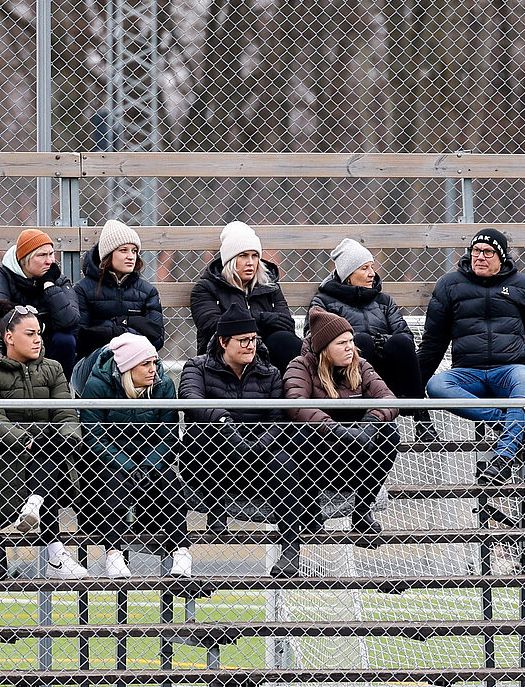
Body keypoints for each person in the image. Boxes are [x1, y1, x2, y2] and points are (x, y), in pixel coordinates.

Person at [418, 228, 525, 485]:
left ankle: (502, 459)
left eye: (488, 252)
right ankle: (515, 428)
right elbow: (433, 343)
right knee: (437, 385)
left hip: (509, 369)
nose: (480, 257)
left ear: (501, 257)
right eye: (476, 251)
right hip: (469, 371)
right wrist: (413, 389)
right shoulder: (449, 285)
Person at [178, 311, 314, 578]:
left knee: (284, 461)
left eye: (253, 339)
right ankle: (215, 507)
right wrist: (225, 424)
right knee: (199, 438)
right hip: (214, 456)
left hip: (256, 458)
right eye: (243, 340)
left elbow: (277, 420)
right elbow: (190, 398)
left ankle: (290, 550)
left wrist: (258, 444)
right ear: (223, 342)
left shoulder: (270, 372)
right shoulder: (198, 366)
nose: (250, 345)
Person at [0, 307, 88, 580]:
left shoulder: (53, 367)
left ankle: (35, 504)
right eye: (30, 334)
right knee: (46, 448)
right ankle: (54, 555)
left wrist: (68, 438)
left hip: (49, 454)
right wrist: (26, 440)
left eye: (39, 334)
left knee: (54, 446)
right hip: (4, 457)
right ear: (9, 337)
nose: (38, 340)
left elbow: (66, 414)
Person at [79, 331, 192, 578]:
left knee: (171, 484)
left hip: (151, 462)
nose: (154, 369)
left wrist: (150, 463)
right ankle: (113, 554)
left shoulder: (163, 385)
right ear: (128, 367)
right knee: (114, 483)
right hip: (111, 464)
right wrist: (127, 464)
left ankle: (182, 553)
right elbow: (94, 436)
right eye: (146, 364)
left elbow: (169, 435)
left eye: (154, 362)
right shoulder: (97, 385)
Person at [283, 308, 401, 534]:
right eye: (341, 343)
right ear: (325, 348)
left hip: (357, 455)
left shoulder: (360, 365)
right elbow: (295, 404)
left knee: (389, 431)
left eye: (351, 340)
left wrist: (370, 423)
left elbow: (388, 398)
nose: (350, 347)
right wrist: (335, 429)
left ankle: (362, 512)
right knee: (299, 435)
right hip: (319, 459)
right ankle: (310, 510)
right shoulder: (301, 365)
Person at [310, 238, 432, 440]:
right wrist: (361, 341)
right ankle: (364, 409)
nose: (371, 273)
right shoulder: (324, 302)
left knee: (400, 342)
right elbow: (315, 339)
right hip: (348, 374)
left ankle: (421, 415)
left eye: (372, 267)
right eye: (364, 268)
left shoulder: (384, 301)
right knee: (361, 342)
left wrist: (380, 341)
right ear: (348, 275)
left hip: (388, 372)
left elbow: (405, 335)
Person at [189, 221, 302, 365]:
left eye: (255, 256)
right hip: (224, 356)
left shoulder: (269, 286)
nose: (250, 262)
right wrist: (262, 319)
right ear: (230, 259)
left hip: (266, 353)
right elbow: (214, 328)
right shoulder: (206, 288)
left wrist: (253, 328)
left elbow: (286, 324)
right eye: (243, 256)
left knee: (284, 340)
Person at [0, 229, 81, 375]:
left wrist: (49, 286)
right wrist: (44, 324)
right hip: (9, 343)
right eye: (42, 255)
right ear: (25, 259)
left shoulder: (57, 280)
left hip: (45, 343)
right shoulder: (0, 276)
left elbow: (70, 321)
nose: (50, 261)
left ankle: (59, 391)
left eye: (51, 254)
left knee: (65, 340)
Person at [76, 220, 163, 360]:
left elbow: (157, 339)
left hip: (136, 360)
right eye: (123, 250)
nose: (131, 256)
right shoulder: (83, 289)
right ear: (108, 254)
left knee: (163, 379)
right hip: (95, 362)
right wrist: (128, 329)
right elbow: (81, 338)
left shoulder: (148, 291)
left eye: (134, 251)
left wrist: (123, 323)